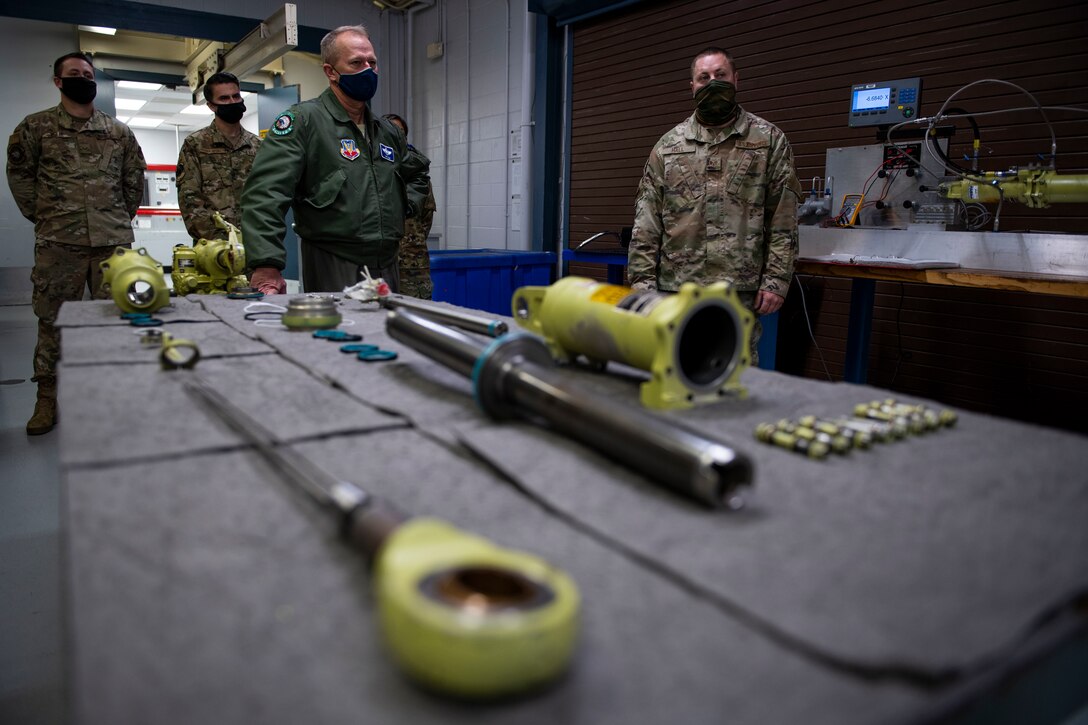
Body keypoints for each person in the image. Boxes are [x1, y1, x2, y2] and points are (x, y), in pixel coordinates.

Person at [627, 46, 801, 360]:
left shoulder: (768, 140)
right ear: (692, 86)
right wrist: (642, 284)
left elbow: (783, 217)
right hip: (676, 287)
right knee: (673, 365)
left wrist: (776, 280)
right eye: (703, 77)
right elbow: (647, 220)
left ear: (736, 79)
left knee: (735, 371)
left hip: (738, 289)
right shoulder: (669, 146)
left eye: (720, 75)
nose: (712, 83)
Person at [6, 52, 146, 435]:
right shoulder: (35, 128)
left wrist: (115, 217)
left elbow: (133, 183)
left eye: (87, 74)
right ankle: (47, 401)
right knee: (53, 323)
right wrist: (47, 216)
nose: (82, 79)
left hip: (112, 243)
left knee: (115, 323)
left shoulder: (118, 132)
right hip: (59, 243)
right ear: (58, 81)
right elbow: (20, 178)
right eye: (74, 74)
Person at [241, 24, 430, 294]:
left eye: (372, 62)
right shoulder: (303, 121)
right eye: (356, 62)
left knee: (384, 333)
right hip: (333, 259)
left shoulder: (386, 131)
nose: (368, 70)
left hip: (387, 262)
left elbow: (417, 173)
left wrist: (404, 204)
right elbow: (265, 193)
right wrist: (266, 264)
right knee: (338, 332)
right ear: (331, 72)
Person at [176, 71, 261, 242]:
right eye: (224, 98)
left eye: (236, 96)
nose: (232, 102)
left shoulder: (258, 145)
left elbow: (267, 195)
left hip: (254, 242)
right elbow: (190, 199)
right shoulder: (195, 144)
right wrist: (219, 241)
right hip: (213, 247)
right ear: (211, 105)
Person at [383, 113, 437, 299]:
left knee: (417, 312)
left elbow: (426, 220)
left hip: (412, 263)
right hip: (378, 262)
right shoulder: (371, 170)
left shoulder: (419, 176)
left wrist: (408, 242)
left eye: (400, 133)